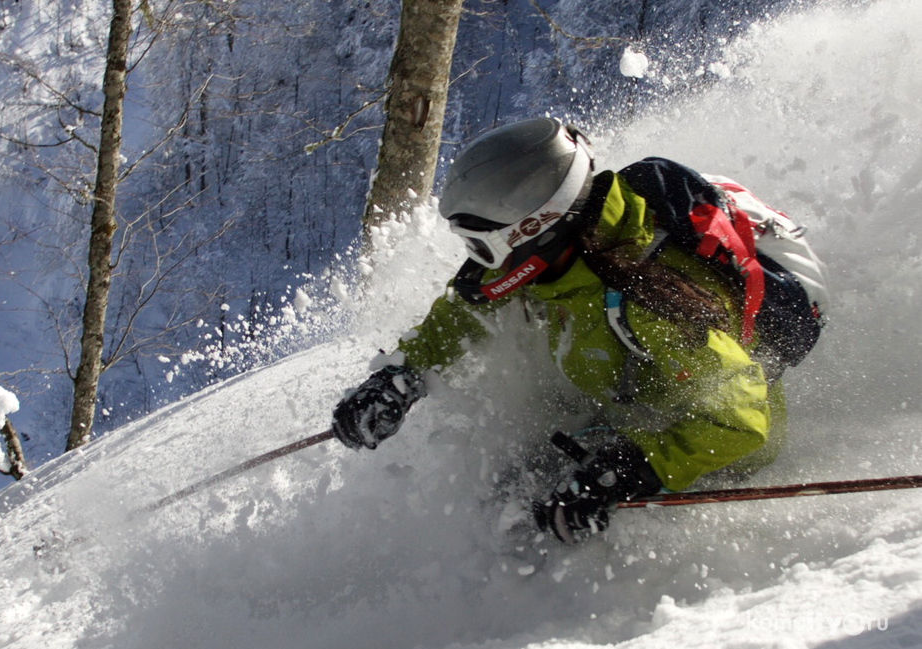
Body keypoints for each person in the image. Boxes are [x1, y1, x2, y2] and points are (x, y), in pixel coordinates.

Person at [332, 117, 824, 544]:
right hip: (625, 413)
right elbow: (468, 309)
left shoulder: (652, 299)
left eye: (482, 245)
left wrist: (627, 473)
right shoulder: (558, 258)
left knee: (540, 520)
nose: (478, 262)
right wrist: (402, 377)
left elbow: (741, 421)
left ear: (535, 229)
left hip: (704, 447)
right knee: (509, 495)